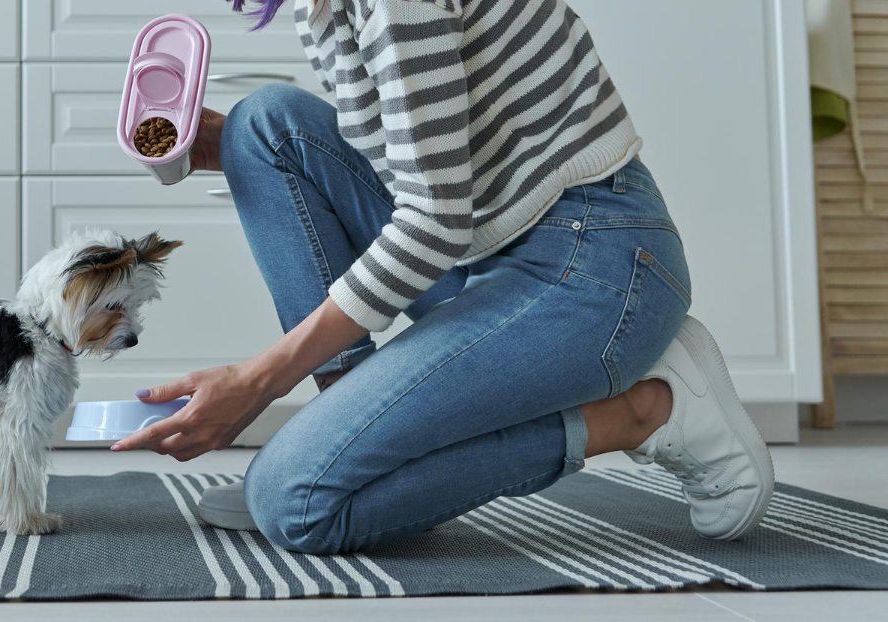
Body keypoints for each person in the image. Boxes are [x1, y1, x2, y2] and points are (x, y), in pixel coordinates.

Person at [109, 0, 774, 555]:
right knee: (262, 128)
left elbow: (432, 221)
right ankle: (354, 444)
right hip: (502, 248)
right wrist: (220, 145)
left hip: (591, 266)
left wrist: (260, 380)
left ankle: (642, 409)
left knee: (294, 505)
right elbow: (422, 162)